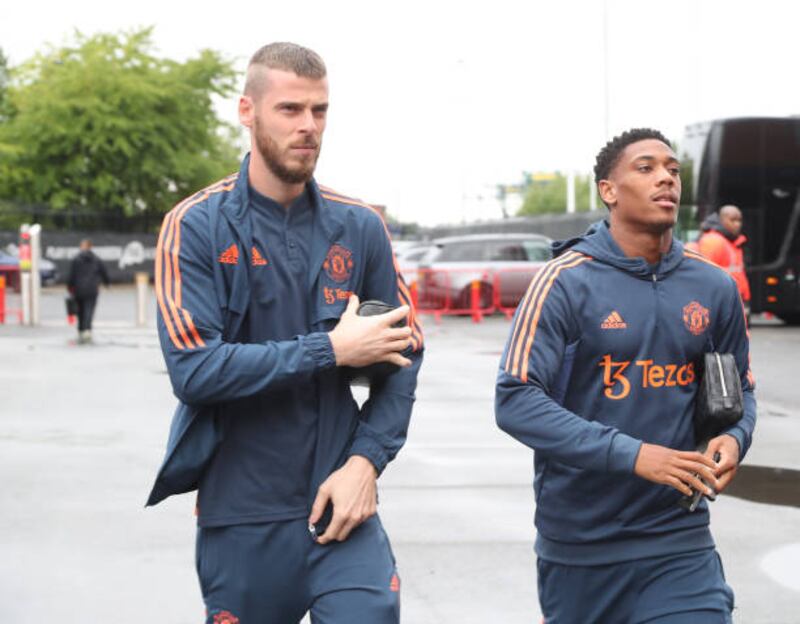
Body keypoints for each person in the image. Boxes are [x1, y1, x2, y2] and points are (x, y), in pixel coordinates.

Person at [146, 42, 423, 624]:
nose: (309, 127)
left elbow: (405, 354)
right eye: (290, 110)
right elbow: (194, 371)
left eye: (319, 111)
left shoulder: (360, 226)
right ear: (247, 111)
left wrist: (365, 464)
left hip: (342, 508)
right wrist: (332, 349)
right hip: (241, 518)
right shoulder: (194, 225)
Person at [495, 128, 756, 623]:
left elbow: (736, 390)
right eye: (646, 168)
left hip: (680, 543)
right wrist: (635, 456)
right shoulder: (564, 282)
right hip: (582, 548)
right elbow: (516, 400)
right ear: (608, 191)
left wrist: (735, 436)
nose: (665, 179)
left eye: (673, 170)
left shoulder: (713, 286)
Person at [697, 205, 751, 314]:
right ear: (721, 220)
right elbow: (705, 277)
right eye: (733, 220)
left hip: (734, 299)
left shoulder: (732, 242)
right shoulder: (713, 241)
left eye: (739, 220)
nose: (737, 224)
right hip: (722, 302)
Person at [66, 238, 109, 344]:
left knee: (80, 310)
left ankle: (81, 329)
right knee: (89, 309)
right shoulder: (96, 259)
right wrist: (107, 283)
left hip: (78, 289)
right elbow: (103, 272)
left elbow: (71, 275)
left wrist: (70, 287)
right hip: (92, 289)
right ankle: (87, 330)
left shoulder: (76, 259)